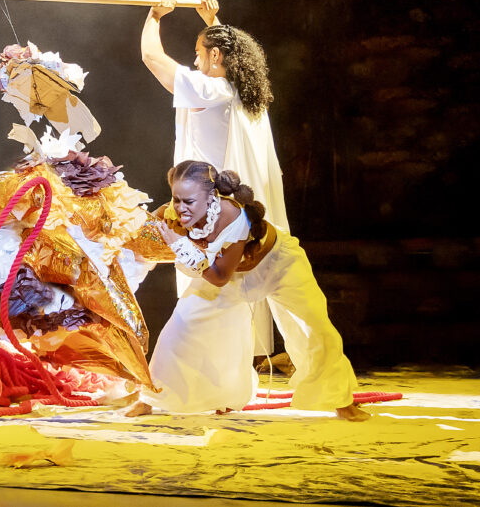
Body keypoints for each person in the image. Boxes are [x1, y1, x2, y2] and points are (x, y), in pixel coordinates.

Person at [127, 160, 368, 421]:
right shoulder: (170, 214)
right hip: (229, 274)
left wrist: (181, 247)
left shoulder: (233, 218)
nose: (181, 208)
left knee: (312, 324)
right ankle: (152, 398)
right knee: (183, 323)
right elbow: (139, 249)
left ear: (211, 197)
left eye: (189, 202)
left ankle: (340, 400)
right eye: (176, 199)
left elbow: (219, 277)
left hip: (277, 265)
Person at [140, 0, 286, 356]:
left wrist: (154, 16)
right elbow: (222, 47)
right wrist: (213, 21)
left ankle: (200, 365)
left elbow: (152, 58)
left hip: (216, 213)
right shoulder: (244, 94)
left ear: (216, 56)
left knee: (208, 290)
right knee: (232, 288)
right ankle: (232, 360)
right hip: (238, 210)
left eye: (198, 52)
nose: (194, 60)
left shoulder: (211, 89)